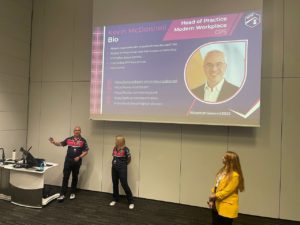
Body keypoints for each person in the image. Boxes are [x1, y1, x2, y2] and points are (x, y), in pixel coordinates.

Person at [49, 126, 89, 201]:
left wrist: (79, 157)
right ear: (73, 131)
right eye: (76, 130)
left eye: (78, 130)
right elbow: (60, 144)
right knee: (65, 177)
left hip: (77, 162)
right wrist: (54, 142)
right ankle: (63, 194)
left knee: (75, 177)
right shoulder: (69, 139)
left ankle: (72, 192)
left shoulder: (83, 140)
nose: (77, 131)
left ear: (80, 131)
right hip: (68, 161)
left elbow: (86, 151)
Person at [207, 151, 245, 225]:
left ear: (230, 160)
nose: (222, 158)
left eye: (224, 157)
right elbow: (216, 186)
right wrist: (212, 200)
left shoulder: (235, 175)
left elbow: (227, 191)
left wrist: (215, 196)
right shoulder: (223, 171)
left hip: (227, 207)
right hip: (217, 204)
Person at [109, 135, 134, 209]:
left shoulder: (126, 149)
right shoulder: (114, 148)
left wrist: (123, 165)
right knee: (115, 183)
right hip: (114, 168)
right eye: (115, 140)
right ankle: (115, 199)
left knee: (124, 184)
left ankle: (131, 201)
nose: (115, 141)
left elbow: (129, 159)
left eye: (116, 140)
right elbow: (113, 156)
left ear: (121, 141)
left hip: (122, 169)